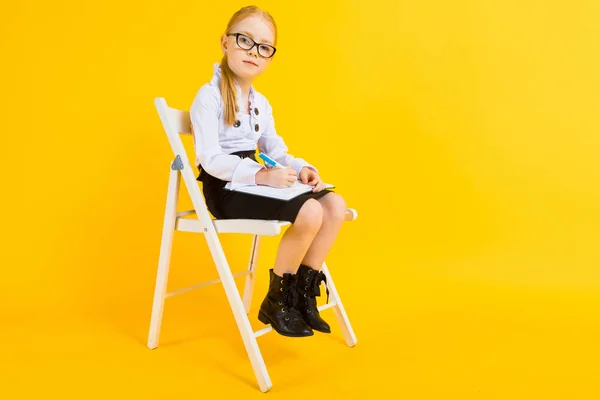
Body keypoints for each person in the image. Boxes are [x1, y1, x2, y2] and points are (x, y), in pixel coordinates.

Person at [190, 5, 348, 338]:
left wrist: (301, 168)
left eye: (264, 47)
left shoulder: (261, 102)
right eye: (244, 40)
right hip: (226, 187)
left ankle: (302, 294)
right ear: (225, 42)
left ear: (270, 57)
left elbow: (276, 151)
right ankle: (277, 301)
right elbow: (210, 158)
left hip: (259, 179)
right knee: (308, 213)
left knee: (334, 206)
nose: (254, 52)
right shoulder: (209, 97)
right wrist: (261, 176)